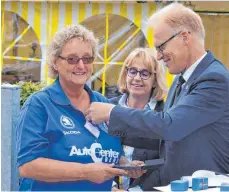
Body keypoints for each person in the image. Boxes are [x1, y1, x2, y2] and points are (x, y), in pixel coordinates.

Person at [86, 2, 229, 187]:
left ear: (184, 37)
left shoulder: (214, 79)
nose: (159, 56)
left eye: (161, 47)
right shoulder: (180, 80)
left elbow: (170, 125)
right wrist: (127, 164)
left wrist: (112, 113)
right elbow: (167, 144)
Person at [16, 24, 145, 191]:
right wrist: (85, 172)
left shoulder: (103, 104)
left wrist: (126, 166)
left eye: (87, 58)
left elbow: (110, 150)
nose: (81, 66)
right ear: (55, 62)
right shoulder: (39, 104)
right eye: (72, 59)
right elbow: (28, 166)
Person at [110, 48, 167, 191]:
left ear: (155, 80)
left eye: (145, 73)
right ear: (125, 74)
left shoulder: (165, 116)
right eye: (132, 71)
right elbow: (96, 152)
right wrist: (110, 187)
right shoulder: (107, 108)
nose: (137, 78)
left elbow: (168, 164)